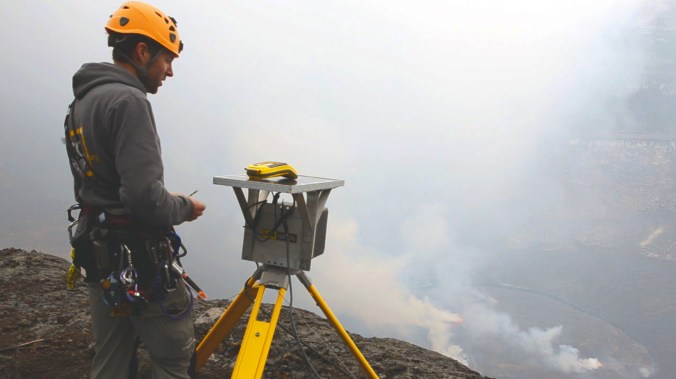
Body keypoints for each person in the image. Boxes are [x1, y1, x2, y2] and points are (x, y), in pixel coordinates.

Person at [64, 2, 206, 378]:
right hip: (139, 258)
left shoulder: (81, 102)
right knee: (173, 360)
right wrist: (184, 206)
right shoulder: (129, 101)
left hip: (100, 253)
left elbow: (93, 180)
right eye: (166, 60)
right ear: (142, 52)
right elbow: (144, 198)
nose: (169, 72)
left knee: (111, 357)